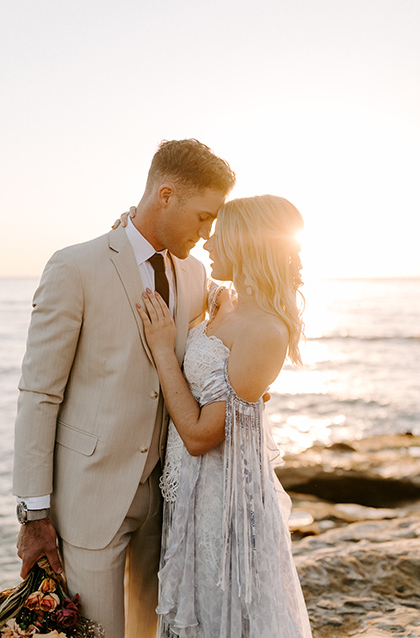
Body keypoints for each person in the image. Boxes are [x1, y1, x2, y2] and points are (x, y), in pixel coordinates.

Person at [12, 139, 236, 638]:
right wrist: (33, 514)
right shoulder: (75, 267)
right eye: (203, 217)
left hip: (166, 503)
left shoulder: (197, 274)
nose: (208, 233)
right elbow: (38, 394)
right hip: (91, 502)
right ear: (166, 195)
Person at [137, 194, 312, 638]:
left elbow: (199, 435)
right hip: (191, 494)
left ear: (244, 244)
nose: (207, 244)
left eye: (219, 235)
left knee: (219, 617)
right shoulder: (228, 306)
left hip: (223, 504)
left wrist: (162, 351)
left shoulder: (265, 331)